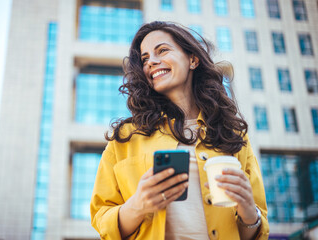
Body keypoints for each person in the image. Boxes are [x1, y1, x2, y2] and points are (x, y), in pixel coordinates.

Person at [90, 21, 269, 240]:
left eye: (162, 50)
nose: (151, 62)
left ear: (192, 59)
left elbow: (257, 232)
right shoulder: (125, 138)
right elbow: (102, 221)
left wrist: (249, 212)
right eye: (145, 58)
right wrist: (138, 205)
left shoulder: (233, 135)